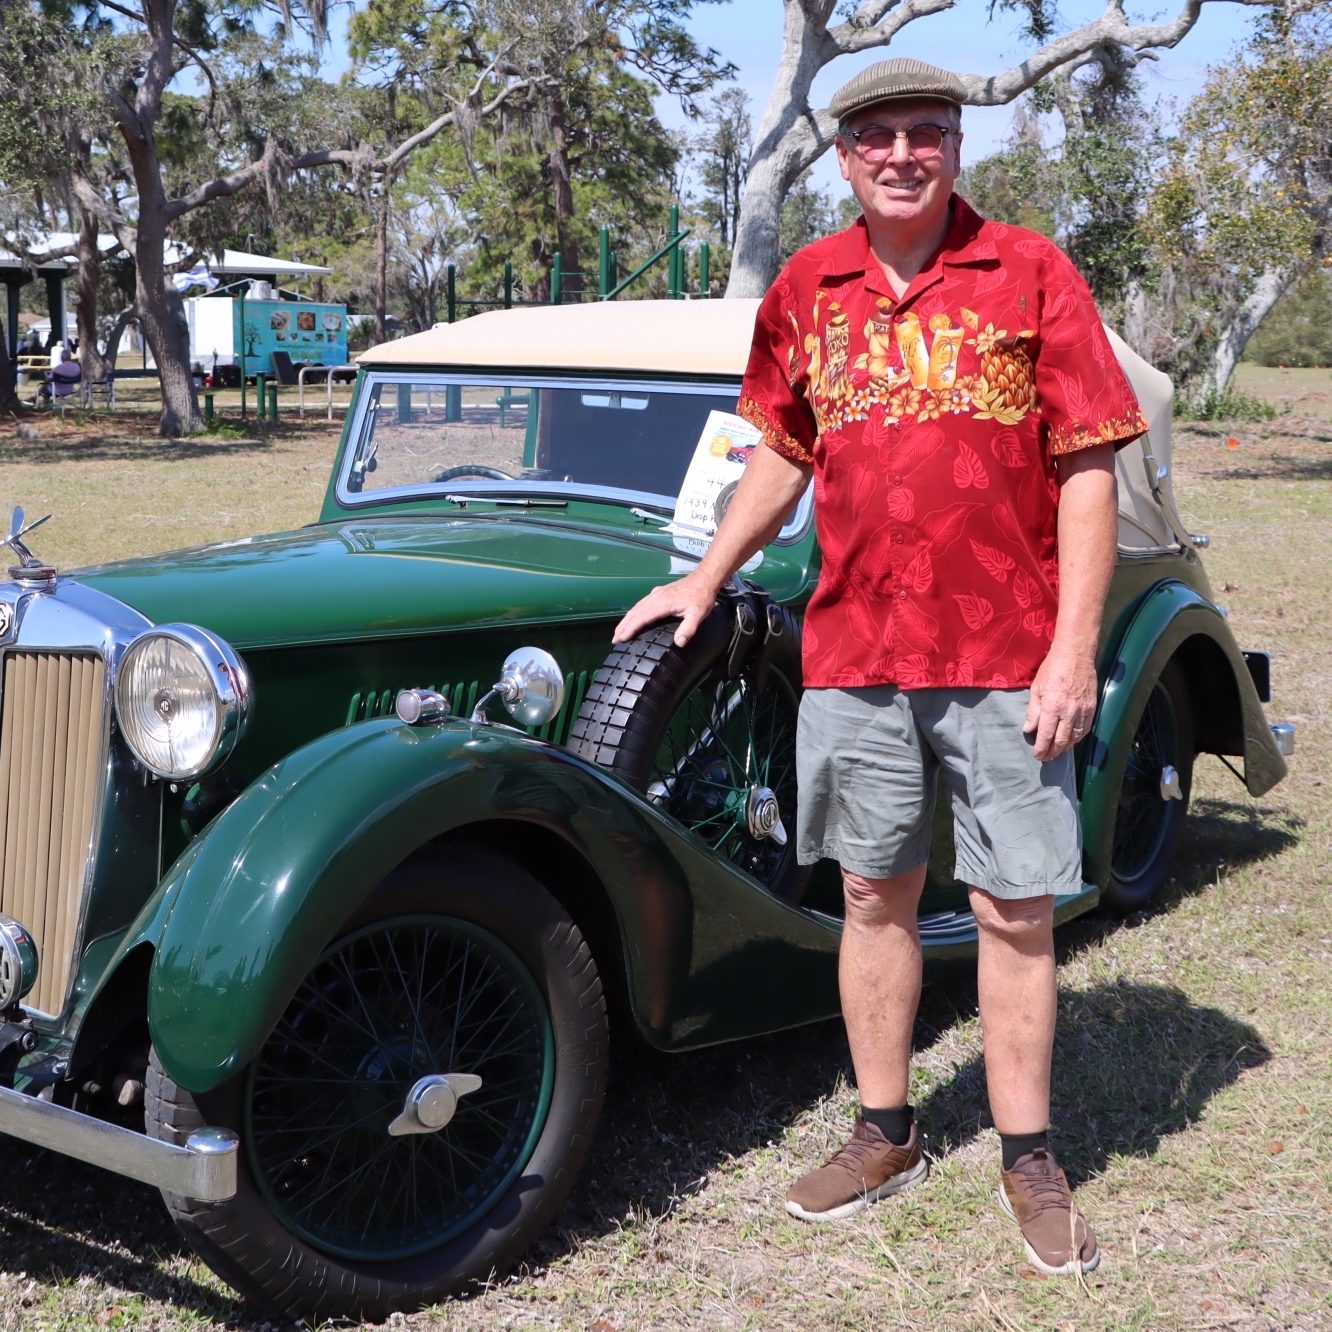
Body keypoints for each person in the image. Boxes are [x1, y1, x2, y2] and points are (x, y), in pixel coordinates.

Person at [613, 57, 1147, 1277]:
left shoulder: (1029, 274)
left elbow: (1088, 467)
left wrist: (1072, 651)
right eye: (877, 139)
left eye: (925, 133)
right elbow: (782, 452)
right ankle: (886, 1129)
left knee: (1015, 909)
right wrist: (706, 574)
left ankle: (1026, 1154)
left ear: (956, 147)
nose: (901, 154)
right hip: (855, 653)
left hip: (1007, 654)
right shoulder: (809, 285)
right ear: (845, 159)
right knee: (871, 893)